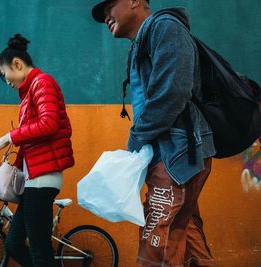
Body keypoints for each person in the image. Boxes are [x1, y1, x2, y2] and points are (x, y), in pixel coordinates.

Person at [91, 1, 216, 266]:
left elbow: (172, 93)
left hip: (176, 156)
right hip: (168, 156)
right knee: (187, 236)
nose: (106, 17)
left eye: (108, 7)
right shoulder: (141, 44)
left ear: (135, 1)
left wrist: (135, 139)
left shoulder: (166, 27)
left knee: (156, 246)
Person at [0, 33, 74, 266]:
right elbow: (32, 140)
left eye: (5, 75)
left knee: (39, 250)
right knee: (14, 244)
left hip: (43, 178)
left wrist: (8, 137)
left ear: (17, 64)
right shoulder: (29, 93)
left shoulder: (42, 82)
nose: (7, 82)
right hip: (33, 179)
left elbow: (49, 124)